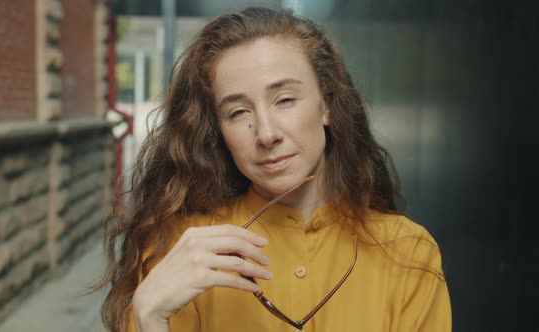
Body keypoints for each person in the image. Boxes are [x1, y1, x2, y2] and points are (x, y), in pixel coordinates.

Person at [100, 7, 451, 332]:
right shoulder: (181, 250)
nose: (266, 134)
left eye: (285, 100)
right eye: (238, 112)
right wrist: (149, 315)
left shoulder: (407, 252)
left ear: (326, 104)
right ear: (219, 130)